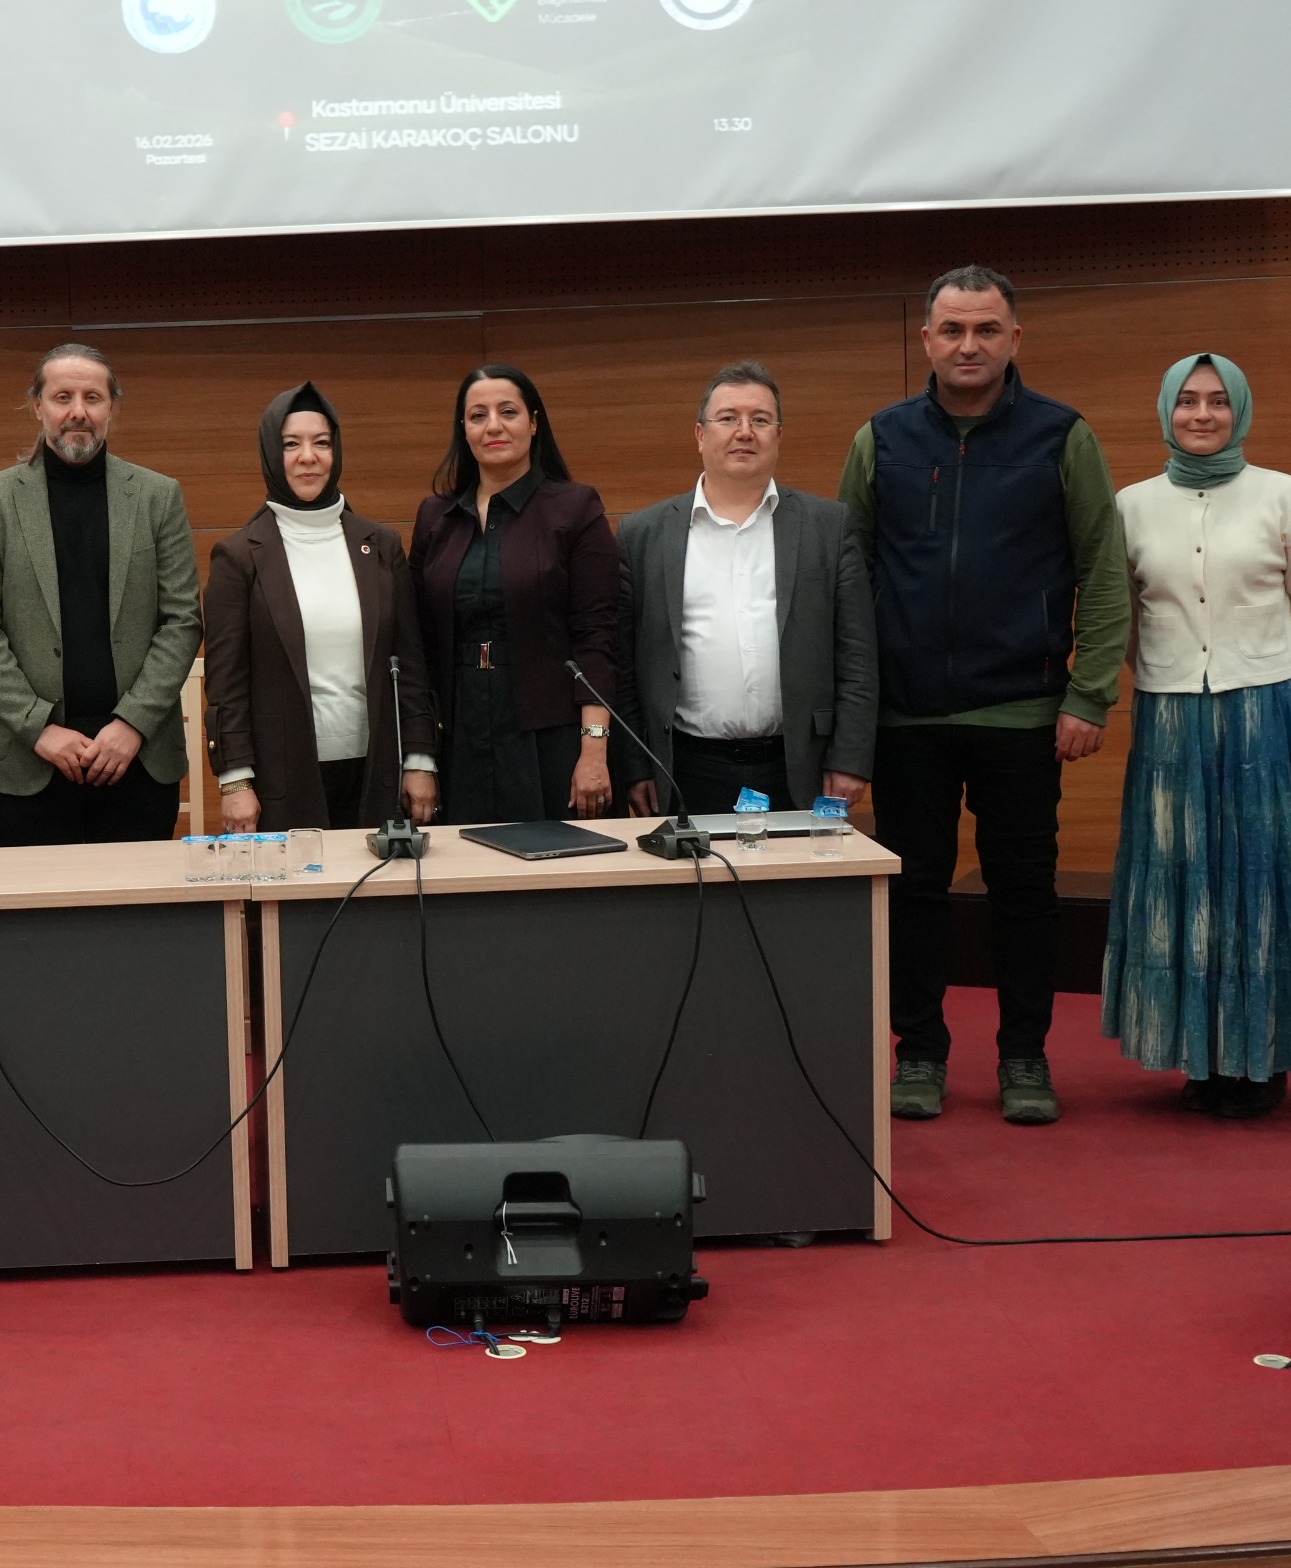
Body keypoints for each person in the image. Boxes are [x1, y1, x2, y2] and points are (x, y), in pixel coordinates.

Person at [839, 266, 1129, 1126]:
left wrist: (1090, 694)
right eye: (954, 330)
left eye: (987, 330)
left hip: (1025, 713)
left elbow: (1103, 571)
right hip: (907, 716)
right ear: (927, 339)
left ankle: (1024, 1056)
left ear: (1014, 339)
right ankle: (920, 1053)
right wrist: (854, 714)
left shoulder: (1061, 436)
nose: (971, 346)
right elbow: (848, 576)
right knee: (913, 890)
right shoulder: (881, 439)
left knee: (1023, 892)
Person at [1104, 353, 1291, 1116]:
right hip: (1171, 716)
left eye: (1219, 402)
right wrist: (1176, 670)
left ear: (1240, 412)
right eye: (1187, 401)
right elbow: (1126, 618)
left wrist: (1261, 670)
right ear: (1165, 411)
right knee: (1186, 885)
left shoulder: (1281, 495)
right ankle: (1200, 1052)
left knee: (1264, 884)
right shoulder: (1132, 505)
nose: (1202, 415)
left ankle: (1266, 1056)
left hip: (1269, 716)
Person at [0, 344, 199, 846]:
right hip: (28, 764)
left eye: (93, 396)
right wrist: (38, 728)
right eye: (62, 396)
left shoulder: (158, 496)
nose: (78, 411)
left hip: (137, 758)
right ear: (38, 406)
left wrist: (132, 723)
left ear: (112, 407)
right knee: (39, 922)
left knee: (143, 919)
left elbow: (183, 620)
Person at [614, 363, 877, 819]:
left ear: (778, 435)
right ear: (699, 434)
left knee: (797, 892)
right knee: (696, 890)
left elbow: (857, 655)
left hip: (800, 766)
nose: (744, 432)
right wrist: (636, 765)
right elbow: (624, 664)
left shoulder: (827, 528)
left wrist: (849, 758)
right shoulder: (644, 534)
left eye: (760, 420)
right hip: (684, 768)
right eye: (728, 418)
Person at [202, 382, 438, 833]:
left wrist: (421, 759)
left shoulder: (381, 545)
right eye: (291, 444)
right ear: (272, 453)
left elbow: (410, 664)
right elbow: (226, 684)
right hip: (280, 778)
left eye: (321, 442)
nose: (307, 457)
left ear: (337, 451)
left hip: (379, 772)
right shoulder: (239, 556)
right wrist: (234, 781)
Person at [410, 365, 618, 823]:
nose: (494, 426)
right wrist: (419, 756)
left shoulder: (575, 508)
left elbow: (597, 637)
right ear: (463, 431)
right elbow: (418, 646)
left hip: (550, 738)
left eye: (508, 412)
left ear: (534, 423)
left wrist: (593, 750)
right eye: (477, 415)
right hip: (458, 735)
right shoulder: (435, 518)